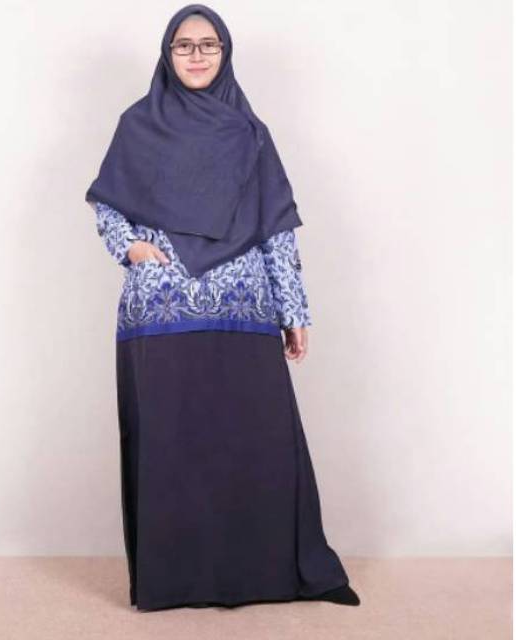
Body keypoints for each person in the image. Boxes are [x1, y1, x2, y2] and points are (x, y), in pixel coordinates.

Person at [85, 3, 361, 612]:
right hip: (162, 310)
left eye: (209, 44)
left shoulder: (249, 132)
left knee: (251, 444)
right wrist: (130, 248)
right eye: (184, 45)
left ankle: (260, 575)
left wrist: (294, 310)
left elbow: (276, 226)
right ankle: (175, 582)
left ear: (225, 52)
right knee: (173, 448)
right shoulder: (138, 125)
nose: (197, 55)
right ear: (167, 53)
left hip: (244, 306)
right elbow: (107, 203)